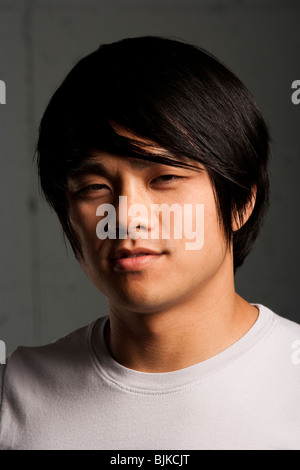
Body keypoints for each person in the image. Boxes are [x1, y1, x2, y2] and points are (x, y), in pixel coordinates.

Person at [0, 36, 299, 451]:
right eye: (94, 187)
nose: (125, 217)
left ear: (241, 202)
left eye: (165, 178)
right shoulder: (14, 394)